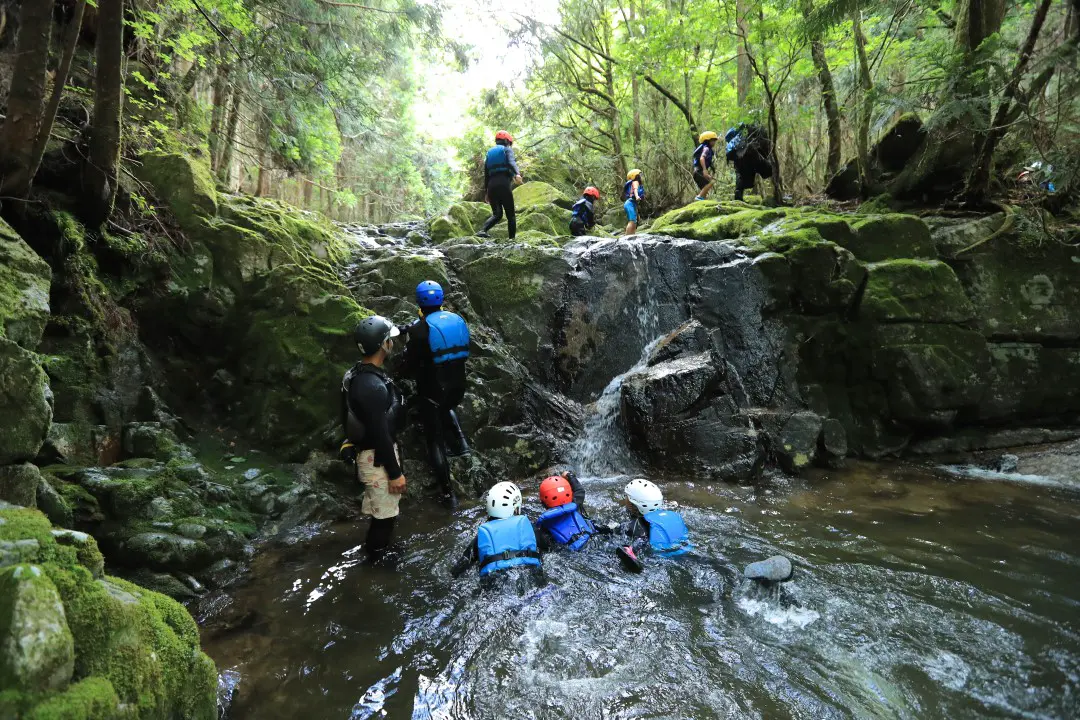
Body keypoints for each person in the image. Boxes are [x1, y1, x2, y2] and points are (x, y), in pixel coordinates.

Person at [338, 315, 407, 560]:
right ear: (383, 344)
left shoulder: (357, 375)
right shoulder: (372, 386)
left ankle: (378, 550)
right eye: (390, 340)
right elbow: (380, 433)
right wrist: (395, 472)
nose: (393, 344)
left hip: (372, 456)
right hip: (377, 459)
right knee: (385, 518)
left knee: (384, 513)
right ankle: (376, 560)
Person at [400, 280, 470, 509]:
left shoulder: (419, 329)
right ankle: (461, 444)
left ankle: (448, 493)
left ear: (419, 302)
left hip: (433, 394)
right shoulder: (457, 320)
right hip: (458, 389)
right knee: (446, 403)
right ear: (441, 299)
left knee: (435, 441)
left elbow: (408, 365)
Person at [451, 482, 543, 578]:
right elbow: (548, 546)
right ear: (516, 508)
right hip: (528, 574)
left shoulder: (482, 536)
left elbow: (460, 567)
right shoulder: (530, 528)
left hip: (494, 580)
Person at [615, 478, 692, 569]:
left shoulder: (636, 524)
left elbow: (614, 530)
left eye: (626, 497)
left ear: (633, 505)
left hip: (659, 559)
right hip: (685, 552)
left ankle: (631, 552)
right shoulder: (673, 515)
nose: (625, 499)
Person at [533, 472, 603, 551]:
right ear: (570, 494)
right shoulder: (576, 504)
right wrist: (569, 475)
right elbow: (580, 490)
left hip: (573, 555)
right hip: (595, 541)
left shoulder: (542, 527)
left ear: (543, 503)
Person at [477, 130, 523, 239]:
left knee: (497, 214)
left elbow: (486, 174)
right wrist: (517, 173)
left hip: (492, 186)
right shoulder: (507, 150)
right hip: (503, 184)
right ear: (507, 141)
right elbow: (511, 162)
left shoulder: (489, 153)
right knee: (510, 215)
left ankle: (482, 230)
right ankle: (512, 240)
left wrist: (486, 192)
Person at [725, 123, 773, 202]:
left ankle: (738, 195)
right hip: (751, 152)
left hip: (738, 156)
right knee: (770, 170)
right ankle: (777, 192)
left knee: (739, 174)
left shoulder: (737, 140)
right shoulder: (753, 132)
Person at [692, 131, 719, 201]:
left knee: (705, 187)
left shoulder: (706, 148)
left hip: (696, 172)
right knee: (711, 182)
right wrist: (704, 170)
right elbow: (702, 158)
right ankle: (699, 197)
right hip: (699, 171)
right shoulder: (706, 148)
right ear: (707, 140)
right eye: (713, 140)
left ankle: (703, 200)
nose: (714, 142)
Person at [623, 169, 645, 236]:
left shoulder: (636, 183)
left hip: (632, 204)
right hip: (629, 203)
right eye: (640, 175)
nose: (642, 176)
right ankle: (626, 238)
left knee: (635, 221)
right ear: (635, 176)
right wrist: (637, 196)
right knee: (632, 221)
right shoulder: (635, 182)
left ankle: (632, 236)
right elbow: (635, 190)